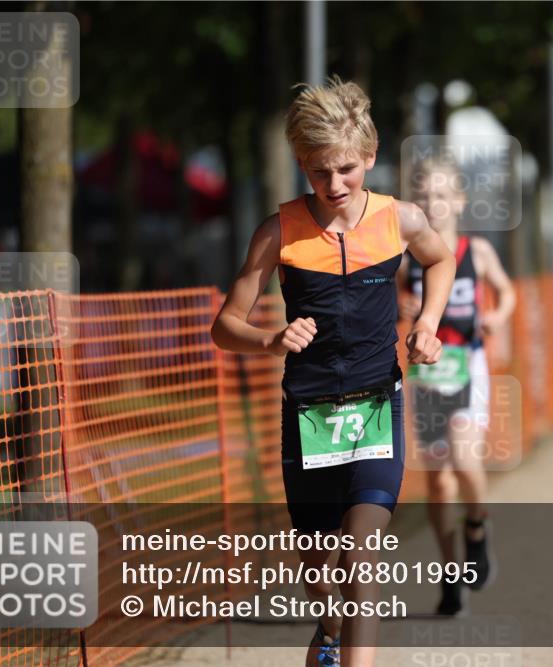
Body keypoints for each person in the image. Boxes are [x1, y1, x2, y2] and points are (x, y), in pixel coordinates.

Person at [211, 77, 456, 667]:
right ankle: (328, 627)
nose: (335, 184)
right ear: (302, 166)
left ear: (371, 158)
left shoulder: (401, 219)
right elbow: (225, 326)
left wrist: (428, 323)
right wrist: (271, 339)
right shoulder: (278, 232)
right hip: (310, 416)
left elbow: (442, 258)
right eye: (320, 172)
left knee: (360, 556)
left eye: (347, 169)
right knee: (321, 574)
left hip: (376, 407)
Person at [398, 157, 516, 616]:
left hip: (469, 365)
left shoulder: (477, 252)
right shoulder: (404, 257)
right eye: (425, 195)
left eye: (443, 195)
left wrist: (497, 316)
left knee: (466, 460)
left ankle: (478, 526)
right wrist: (404, 307)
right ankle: (452, 576)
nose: (434, 203)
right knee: (439, 483)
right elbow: (391, 308)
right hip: (427, 374)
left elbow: (508, 292)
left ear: (460, 201)